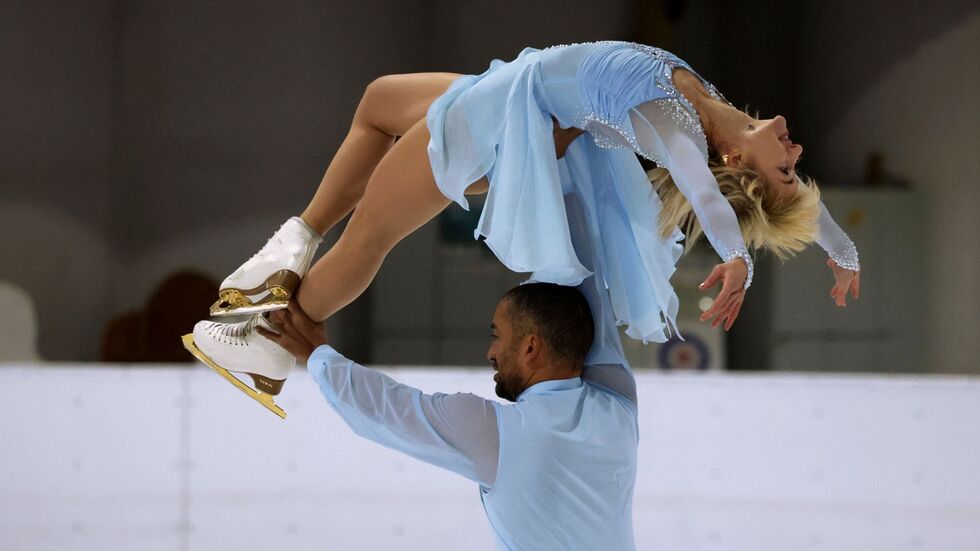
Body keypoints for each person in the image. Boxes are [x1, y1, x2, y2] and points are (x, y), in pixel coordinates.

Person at [182, 41, 861, 417]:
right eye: (797, 165)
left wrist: (737, 254)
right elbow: (802, 201)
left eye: (787, 168)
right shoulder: (711, 103)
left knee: (371, 234)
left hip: (501, 123)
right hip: (511, 92)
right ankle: (294, 242)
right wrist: (845, 250)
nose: (797, 156)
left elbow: (710, 200)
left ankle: (268, 343)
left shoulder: (678, 125)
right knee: (379, 102)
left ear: (739, 162)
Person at [260, 284, 641, 550]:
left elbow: (383, 409)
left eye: (497, 335)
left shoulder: (498, 435)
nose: (491, 351)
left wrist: (315, 353)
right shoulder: (620, 407)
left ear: (530, 346)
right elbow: (593, 316)